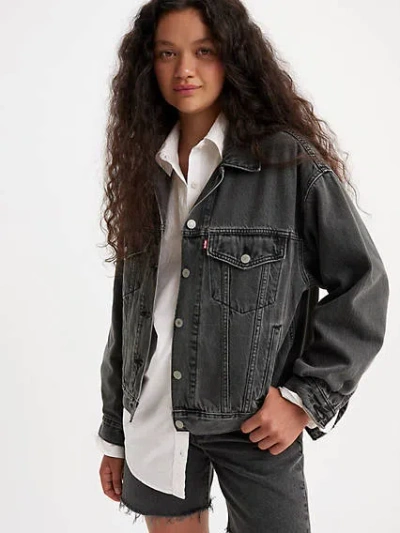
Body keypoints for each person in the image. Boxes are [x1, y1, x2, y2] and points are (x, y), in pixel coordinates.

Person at [96, 1, 389, 532]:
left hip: (256, 425)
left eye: (204, 51)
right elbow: (129, 312)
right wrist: (115, 432)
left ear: (232, 56)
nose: (185, 69)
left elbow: (363, 285)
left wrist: (304, 398)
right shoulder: (145, 169)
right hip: (154, 417)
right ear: (148, 65)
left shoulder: (287, 163)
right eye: (167, 53)